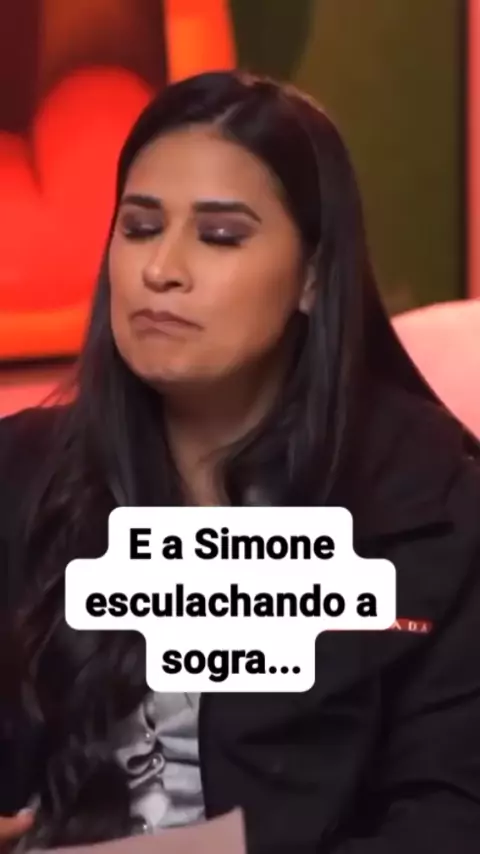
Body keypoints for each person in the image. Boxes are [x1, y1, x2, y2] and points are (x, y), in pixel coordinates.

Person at [0, 69, 479, 854]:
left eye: (220, 236)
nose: (162, 269)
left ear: (313, 277)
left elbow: (451, 816)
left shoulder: (433, 506)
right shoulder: (20, 475)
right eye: (139, 228)